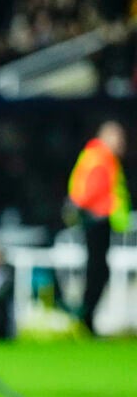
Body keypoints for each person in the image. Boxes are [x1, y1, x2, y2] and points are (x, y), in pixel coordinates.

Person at [67, 120, 130, 334]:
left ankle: (86, 318)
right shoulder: (100, 157)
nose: (122, 142)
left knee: (97, 270)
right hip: (97, 221)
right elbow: (88, 193)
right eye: (118, 137)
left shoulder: (99, 156)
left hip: (99, 221)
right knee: (96, 271)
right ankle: (84, 317)